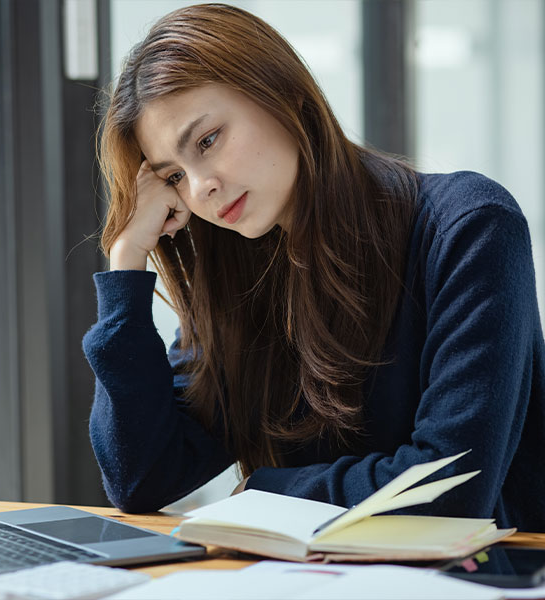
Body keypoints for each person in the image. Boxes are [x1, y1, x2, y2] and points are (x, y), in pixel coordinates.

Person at [82, 3, 545, 530]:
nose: (200, 187)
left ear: (282, 93)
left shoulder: (469, 225)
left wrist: (265, 490)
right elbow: (141, 479)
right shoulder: (240, 276)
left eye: (208, 141)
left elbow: (449, 488)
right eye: (172, 178)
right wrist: (126, 270)